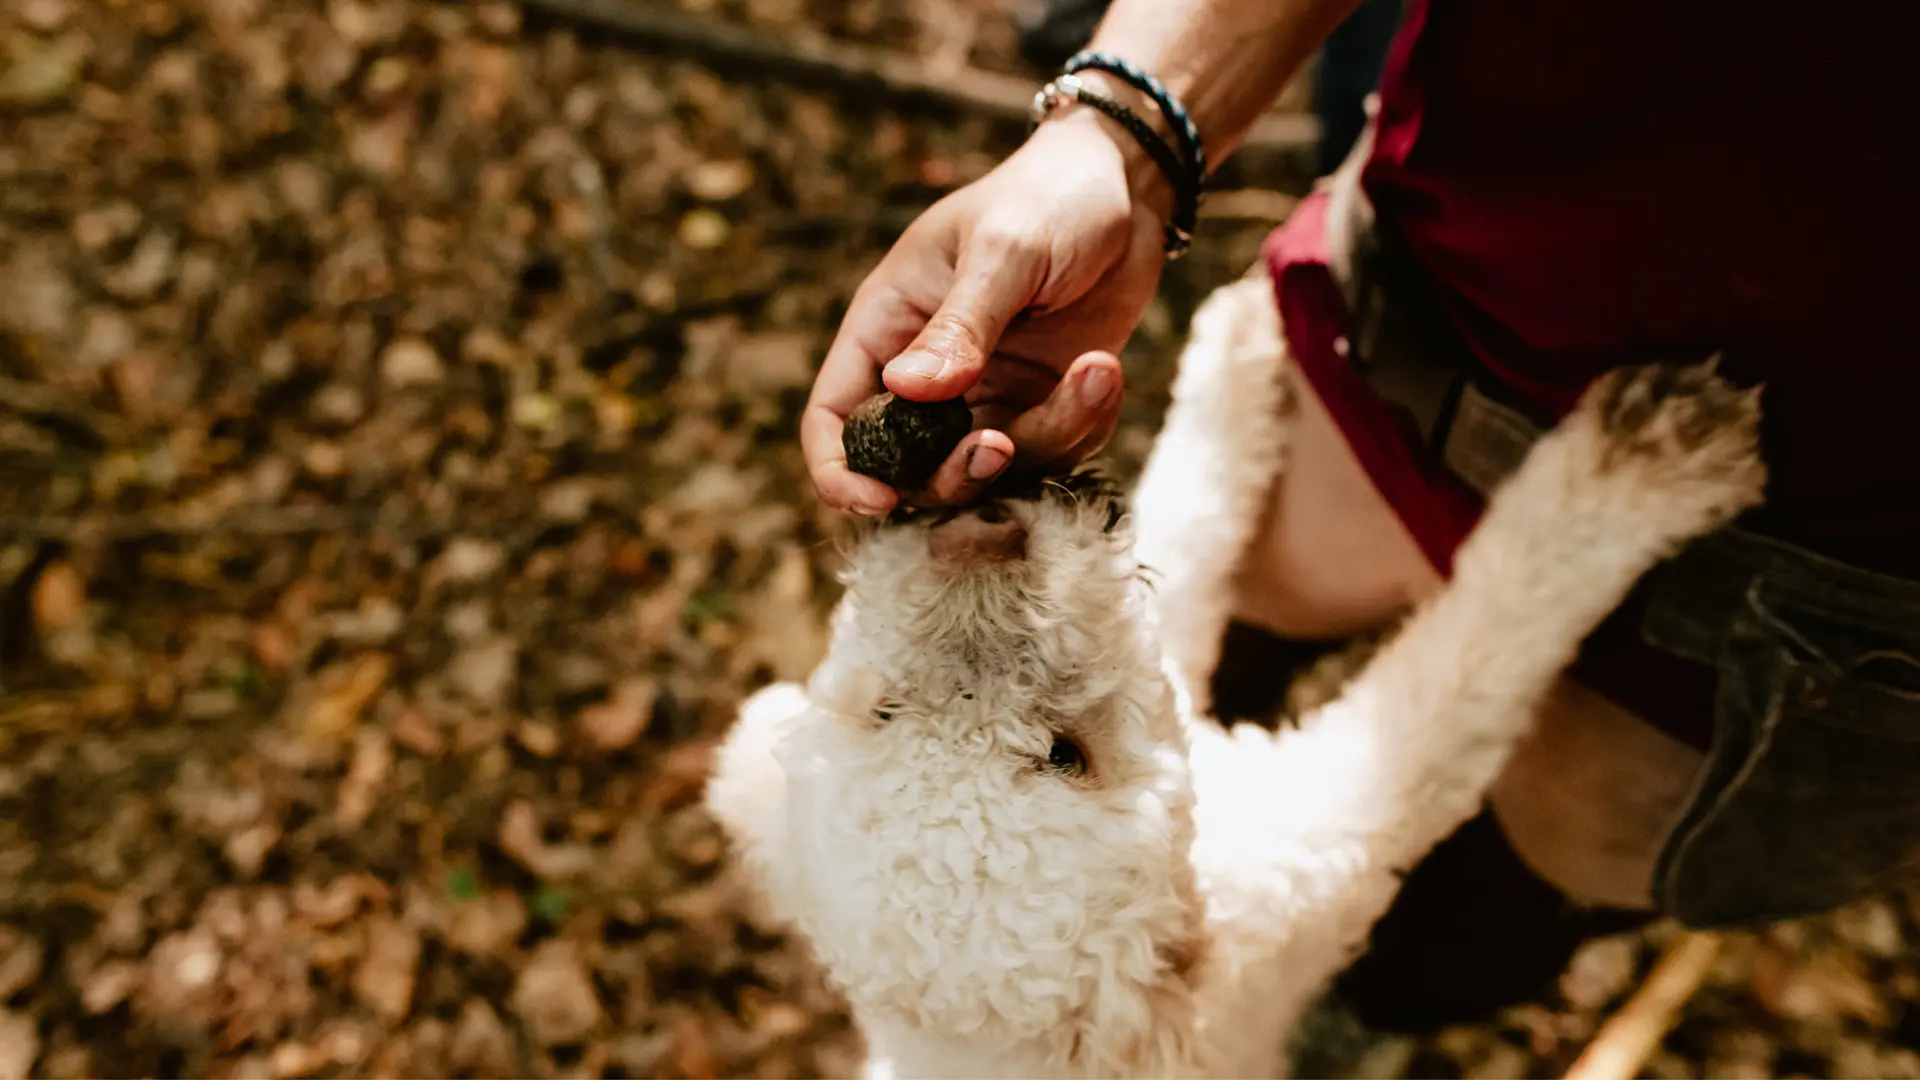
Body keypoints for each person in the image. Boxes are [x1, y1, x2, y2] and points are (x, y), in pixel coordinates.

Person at [801, 0, 1920, 1030]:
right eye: (1055, 752)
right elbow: (1411, 754)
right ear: (1191, 945)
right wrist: (1593, 516)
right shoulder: (1209, 915)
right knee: (1509, 877)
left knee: (1204, 655)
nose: (966, 553)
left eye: (889, 708)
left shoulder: (910, 849)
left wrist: (1121, 145)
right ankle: (1380, 1011)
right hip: (1644, 420)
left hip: (1511, 341)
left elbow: (1131, 676)